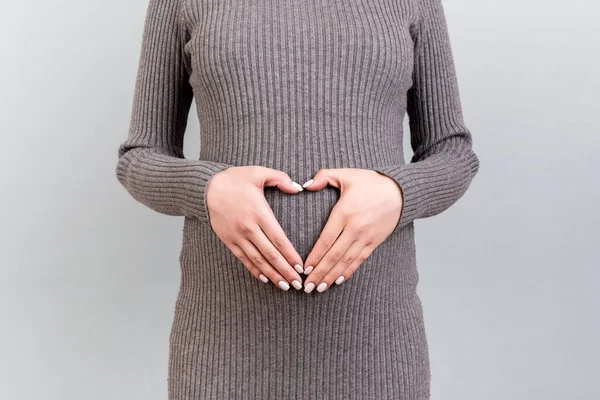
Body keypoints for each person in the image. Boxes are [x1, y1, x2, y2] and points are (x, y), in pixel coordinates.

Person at [115, 0, 480, 398]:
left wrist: (397, 192)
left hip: (377, 349)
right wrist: (207, 188)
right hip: (222, 349)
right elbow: (139, 157)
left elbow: (453, 153)